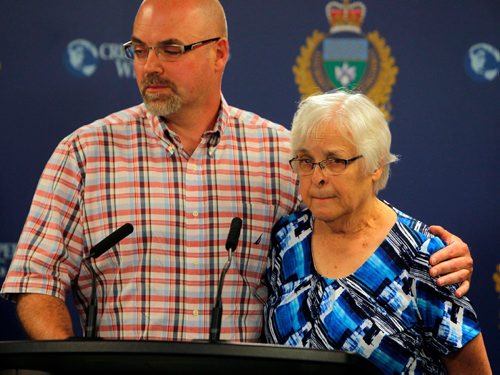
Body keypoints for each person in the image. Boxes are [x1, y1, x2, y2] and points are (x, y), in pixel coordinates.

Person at [1, 0, 472, 342]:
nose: (150, 66)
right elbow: (35, 284)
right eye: (140, 50)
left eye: (170, 49)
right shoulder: (83, 154)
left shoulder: (280, 153)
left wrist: (431, 255)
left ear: (219, 53)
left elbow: (355, 220)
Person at [263, 91, 491, 373]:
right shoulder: (287, 240)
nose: (318, 177)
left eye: (335, 161)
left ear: (375, 165)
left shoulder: (423, 257)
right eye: (306, 161)